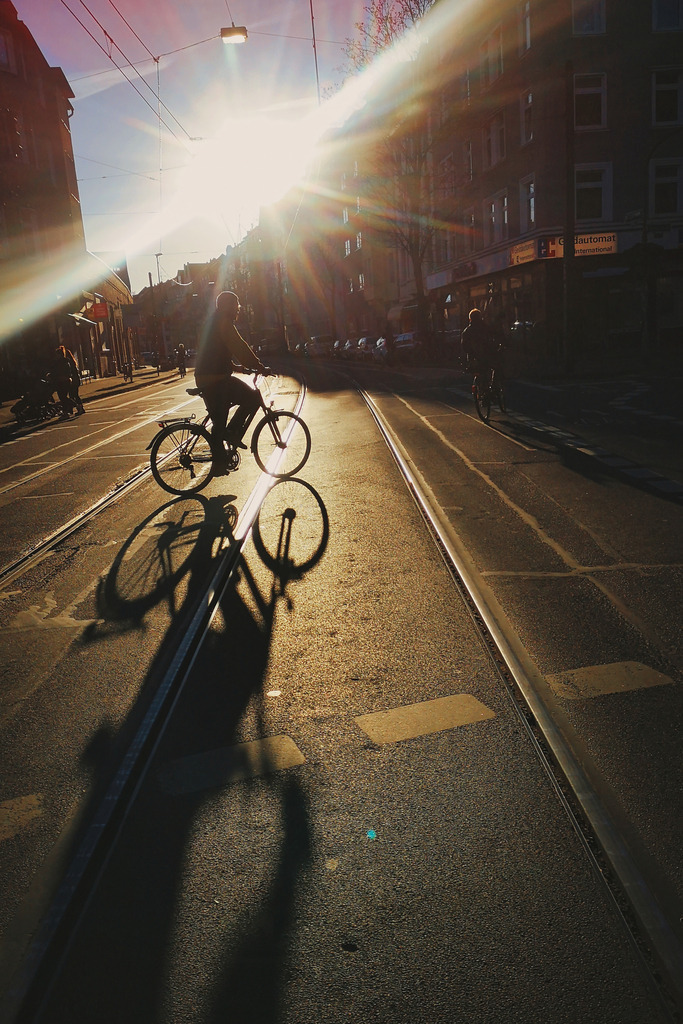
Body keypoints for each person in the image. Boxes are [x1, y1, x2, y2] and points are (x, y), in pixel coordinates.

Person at [194, 291, 266, 472]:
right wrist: (258, 366)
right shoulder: (224, 322)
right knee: (252, 398)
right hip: (215, 379)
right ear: (228, 306)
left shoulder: (212, 322)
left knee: (219, 423)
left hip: (207, 376)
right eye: (236, 306)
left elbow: (214, 353)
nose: (237, 309)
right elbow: (239, 347)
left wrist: (238, 368)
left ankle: (220, 463)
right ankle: (232, 433)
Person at [460, 308, 496, 374]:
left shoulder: (467, 331)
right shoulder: (486, 328)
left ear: (470, 319)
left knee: (478, 374)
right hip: (487, 357)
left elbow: (465, 346)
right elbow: (493, 340)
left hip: (474, 359)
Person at [53, 345, 85, 417]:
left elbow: (68, 372)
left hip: (71, 380)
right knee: (73, 395)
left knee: (70, 395)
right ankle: (73, 409)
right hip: (73, 380)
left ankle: (75, 408)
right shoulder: (70, 362)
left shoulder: (66, 362)